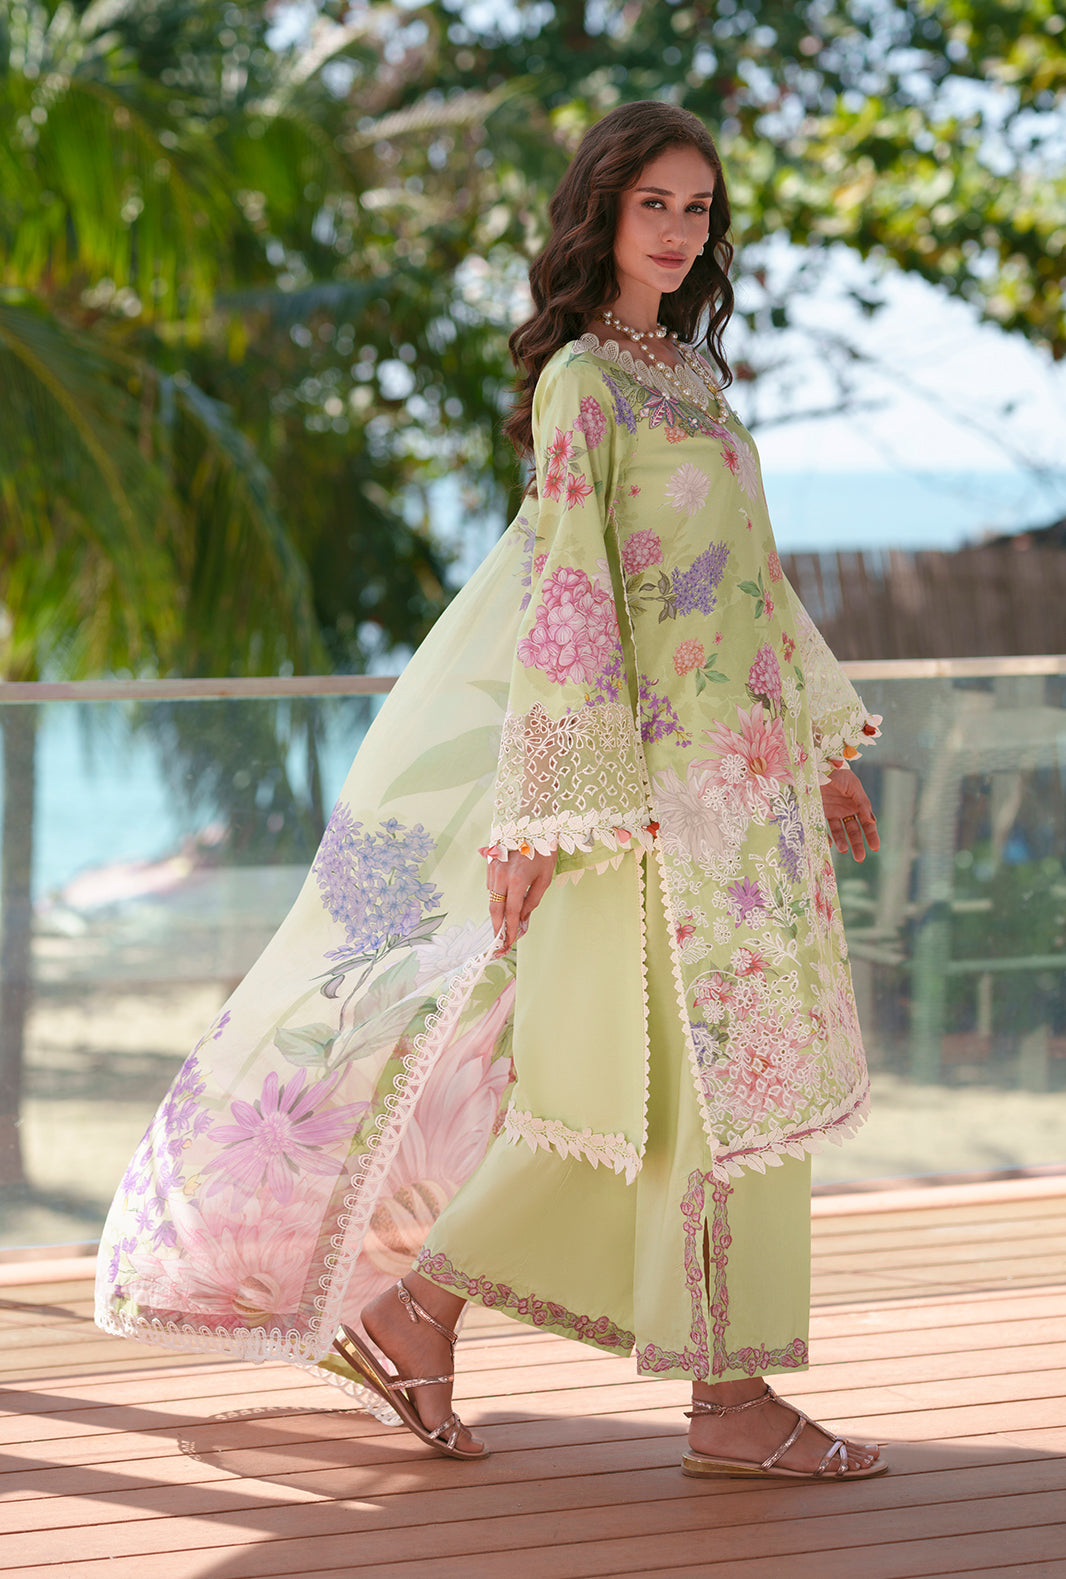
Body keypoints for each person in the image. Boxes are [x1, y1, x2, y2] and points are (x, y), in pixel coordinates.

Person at [96, 100, 886, 1482]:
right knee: (675, 1099)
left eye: (698, 209)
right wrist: (539, 816)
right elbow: (566, 599)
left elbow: (751, 585)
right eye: (654, 204)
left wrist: (819, 756)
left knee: (716, 1098)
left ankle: (424, 1314)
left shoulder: (694, 379)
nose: (679, 231)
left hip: (741, 801)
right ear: (602, 213)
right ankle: (726, 1400)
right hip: (646, 811)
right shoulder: (586, 382)